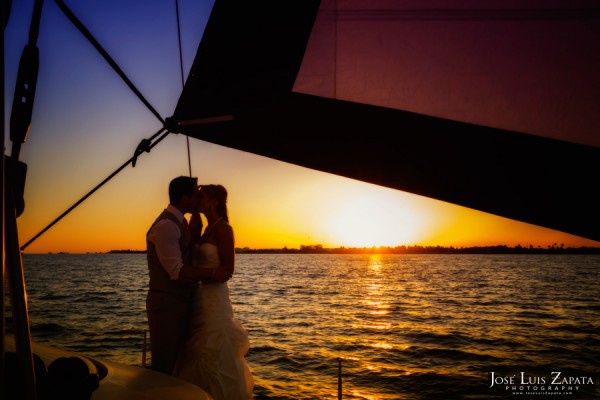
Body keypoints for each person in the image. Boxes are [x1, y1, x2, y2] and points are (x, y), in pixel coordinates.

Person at [173, 184, 254, 400]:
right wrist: (194, 233)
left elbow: (228, 270)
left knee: (213, 350)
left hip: (214, 300)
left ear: (213, 202)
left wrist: (202, 276)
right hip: (197, 299)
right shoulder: (205, 228)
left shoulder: (224, 229)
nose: (196, 199)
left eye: (201, 196)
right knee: (195, 350)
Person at [145, 176, 201, 374]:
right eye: (195, 194)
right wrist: (213, 273)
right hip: (167, 305)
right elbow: (176, 270)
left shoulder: (181, 222)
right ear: (184, 198)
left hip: (180, 302)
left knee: (179, 363)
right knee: (165, 365)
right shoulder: (167, 225)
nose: (198, 199)